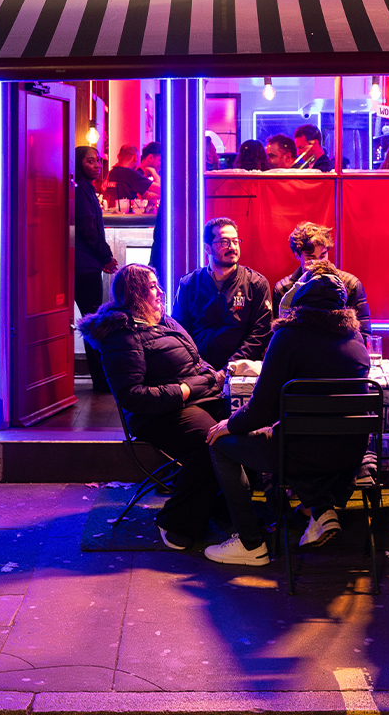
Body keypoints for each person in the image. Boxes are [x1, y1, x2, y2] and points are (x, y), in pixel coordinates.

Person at [204, 263, 371, 567]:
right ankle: (321, 512)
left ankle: (250, 543)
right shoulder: (356, 341)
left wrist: (230, 424)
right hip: (350, 454)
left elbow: (260, 409)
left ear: (299, 304)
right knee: (293, 434)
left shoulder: (288, 338)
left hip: (300, 453)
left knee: (222, 445)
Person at [80, 265, 226, 549]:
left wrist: (206, 379)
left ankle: (223, 507)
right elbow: (131, 395)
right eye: (152, 286)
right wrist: (184, 390)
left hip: (194, 398)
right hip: (157, 415)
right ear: (135, 293)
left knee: (248, 425)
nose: (160, 291)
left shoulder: (164, 321)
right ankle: (176, 521)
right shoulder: (121, 335)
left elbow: (198, 363)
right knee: (212, 441)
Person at [171, 217, 274, 371]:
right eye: (224, 242)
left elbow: (260, 334)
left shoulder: (256, 283)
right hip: (197, 370)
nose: (232, 247)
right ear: (207, 248)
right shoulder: (189, 284)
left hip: (241, 370)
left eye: (235, 241)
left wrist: (228, 370)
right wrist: (201, 367)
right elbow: (179, 331)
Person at [272, 222, 370, 335]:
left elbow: (364, 333)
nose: (318, 263)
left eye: (323, 255)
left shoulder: (351, 284)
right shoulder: (284, 289)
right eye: (311, 257)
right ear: (296, 255)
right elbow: (279, 335)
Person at [74, 145, 118, 392]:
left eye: (98, 161)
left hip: (86, 264)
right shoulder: (81, 190)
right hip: (85, 266)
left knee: (93, 322)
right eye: (90, 161)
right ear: (79, 163)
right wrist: (105, 256)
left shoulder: (85, 189)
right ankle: (101, 382)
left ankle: (101, 381)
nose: (96, 165)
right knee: (93, 323)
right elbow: (87, 228)